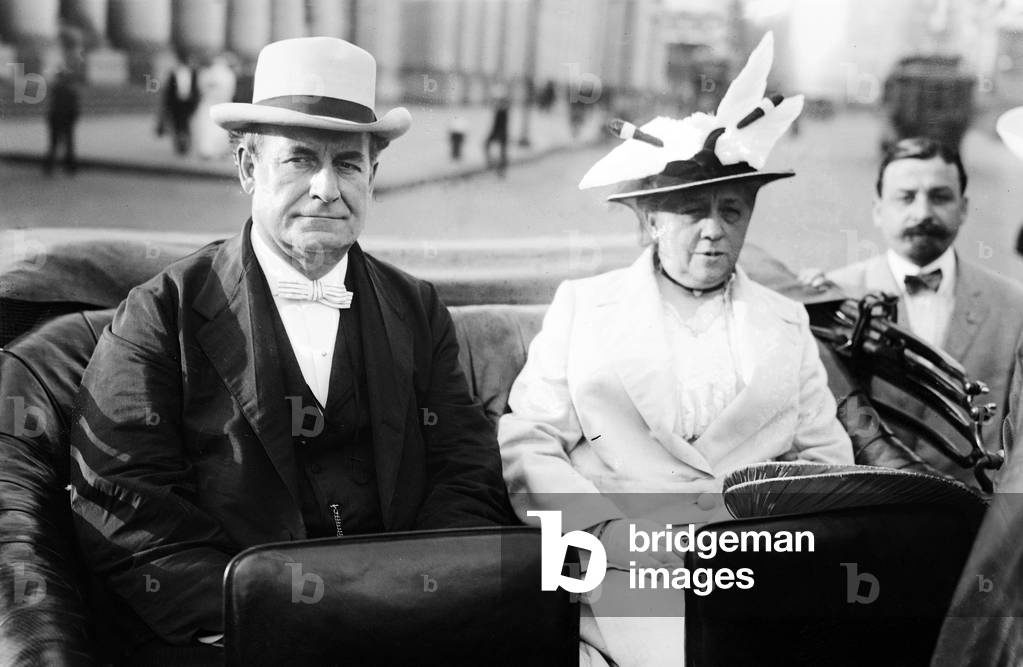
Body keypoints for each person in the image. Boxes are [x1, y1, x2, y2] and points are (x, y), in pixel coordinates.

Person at [69, 37, 510, 665]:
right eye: (300, 160)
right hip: (231, 637)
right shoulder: (159, 312)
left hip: (402, 627)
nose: (328, 188)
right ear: (248, 169)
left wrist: (418, 596)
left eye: (350, 165)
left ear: (373, 177)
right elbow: (124, 499)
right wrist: (268, 618)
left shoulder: (418, 309)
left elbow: (465, 469)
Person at [498, 33, 853, 667]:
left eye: (733, 210)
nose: (715, 230)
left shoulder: (787, 323)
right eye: (693, 210)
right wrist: (601, 531)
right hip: (616, 566)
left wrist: (767, 542)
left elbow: (827, 463)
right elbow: (528, 439)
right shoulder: (586, 306)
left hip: (748, 570)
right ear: (650, 221)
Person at [814, 137, 1023, 487]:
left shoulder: (1014, 304)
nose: (923, 213)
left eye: (940, 197)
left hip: (974, 519)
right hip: (865, 511)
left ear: (964, 207)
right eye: (906, 197)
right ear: (878, 209)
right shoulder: (831, 297)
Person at [192, 54, 237, 160]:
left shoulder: (208, 74)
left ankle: (210, 151)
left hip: (212, 105)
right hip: (218, 105)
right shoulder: (227, 74)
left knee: (213, 130)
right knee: (215, 130)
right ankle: (211, 151)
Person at [157, 55, 200, 155]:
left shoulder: (193, 73)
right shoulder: (173, 73)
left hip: (188, 103)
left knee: (186, 125)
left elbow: (196, 89)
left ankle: (186, 145)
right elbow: (169, 91)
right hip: (176, 104)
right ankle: (179, 146)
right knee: (177, 125)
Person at [43, 67, 80, 175]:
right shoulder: (70, 91)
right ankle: (70, 166)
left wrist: (50, 119)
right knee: (68, 143)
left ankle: (50, 166)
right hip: (66, 120)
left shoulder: (56, 90)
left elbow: (52, 107)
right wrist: (74, 119)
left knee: (54, 144)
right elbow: (74, 108)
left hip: (57, 119)